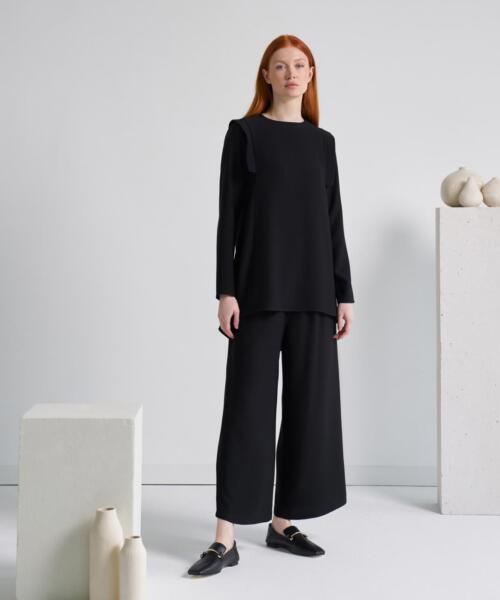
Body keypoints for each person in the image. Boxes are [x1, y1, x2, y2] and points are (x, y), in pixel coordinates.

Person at [188, 34, 355, 577]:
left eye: (300, 65)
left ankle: (283, 524)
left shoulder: (322, 143)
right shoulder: (244, 134)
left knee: (310, 412)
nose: (291, 74)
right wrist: (226, 290)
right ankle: (225, 536)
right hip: (257, 293)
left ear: (311, 74)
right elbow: (228, 218)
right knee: (247, 412)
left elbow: (332, 220)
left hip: (314, 296)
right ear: (266, 75)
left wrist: (344, 293)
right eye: (280, 66)